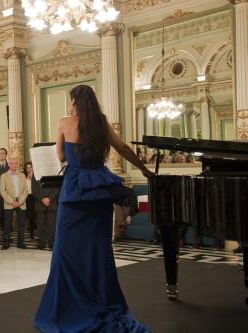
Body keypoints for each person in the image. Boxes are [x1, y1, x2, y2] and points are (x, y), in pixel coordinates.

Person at [34, 84, 152, 332]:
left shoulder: (65, 122)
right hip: (99, 189)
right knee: (98, 251)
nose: (69, 105)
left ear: (75, 101)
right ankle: (100, 300)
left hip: (75, 190)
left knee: (65, 253)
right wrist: (144, 169)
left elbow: (62, 158)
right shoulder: (102, 123)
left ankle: (69, 309)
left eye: (70, 100)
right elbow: (123, 148)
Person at [0, 158, 29, 250]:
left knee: (21, 224)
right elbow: (2, 191)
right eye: (12, 163)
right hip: (9, 203)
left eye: (15, 163)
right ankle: (6, 243)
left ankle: (20, 243)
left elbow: (26, 190)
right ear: (8, 164)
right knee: (7, 224)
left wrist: (20, 201)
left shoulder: (22, 175)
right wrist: (12, 202)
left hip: (21, 203)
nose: (13, 165)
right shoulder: (3, 176)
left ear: (17, 164)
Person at [31, 166, 59, 250]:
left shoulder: (54, 172)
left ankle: (52, 242)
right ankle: (41, 242)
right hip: (40, 203)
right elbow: (34, 190)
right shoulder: (35, 174)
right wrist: (42, 199)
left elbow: (57, 188)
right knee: (40, 224)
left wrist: (49, 198)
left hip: (52, 203)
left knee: (52, 225)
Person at [24, 162, 36, 240]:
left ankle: (36, 232)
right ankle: (31, 234)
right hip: (27, 197)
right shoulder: (24, 177)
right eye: (27, 167)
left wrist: (32, 178)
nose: (29, 169)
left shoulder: (36, 176)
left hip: (34, 197)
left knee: (35, 215)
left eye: (30, 167)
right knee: (29, 216)